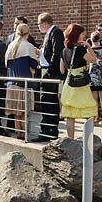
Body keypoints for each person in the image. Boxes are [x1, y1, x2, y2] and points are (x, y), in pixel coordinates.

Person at [59, 24, 98, 139]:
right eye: (82, 34)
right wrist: (89, 47)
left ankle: (70, 140)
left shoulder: (64, 50)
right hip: (81, 84)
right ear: (77, 35)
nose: (84, 36)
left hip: (69, 83)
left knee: (70, 115)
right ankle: (88, 139)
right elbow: (94, 60)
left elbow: (62, 70)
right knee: (88, 111)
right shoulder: (80, 49)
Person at [4, 23, 38, 140]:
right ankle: (24, 133)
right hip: (24, 84)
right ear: (27, 33)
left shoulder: (10, 46)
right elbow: (34, 64)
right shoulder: (28, 46)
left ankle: (18, 133)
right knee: (24, 111)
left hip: (11, 83)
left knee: (16, 113)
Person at [34, 12, 64, 142]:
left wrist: (50, 71)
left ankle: (48, 131)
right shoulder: (50, 33)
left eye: (39, 24)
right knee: (47, 102)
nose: (38, 26)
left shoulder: (56, 32)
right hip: (46, 70)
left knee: (48, 102)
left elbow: (57, 53)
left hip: (50, 72)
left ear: (45, 23)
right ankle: (48, 130)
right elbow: (50, 52)